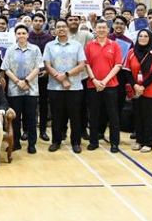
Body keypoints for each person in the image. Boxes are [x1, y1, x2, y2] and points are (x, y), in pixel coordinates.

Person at [42, 19, 87, 153]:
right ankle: (56, 141)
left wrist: (66, 75)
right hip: (55, 87)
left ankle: (76, 142)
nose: (61, 29)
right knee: (56, 116)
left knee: (75, 116)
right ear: (55, 30)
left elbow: (81, 64)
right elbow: (47, 65)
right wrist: (60, 78)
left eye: (63, 26)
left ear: (67, 28)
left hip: (74, 87)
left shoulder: (77, 45)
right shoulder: (49, 45)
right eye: (58, 27)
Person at [1, 24, 43, 153]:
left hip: (31, 88)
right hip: (14, 88)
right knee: (15, 118)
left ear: (28, 35)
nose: (21, 35)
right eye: (18, 33)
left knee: (31, 117)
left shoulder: (35, 49)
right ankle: (15, 143)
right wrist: (17, 81)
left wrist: (26, 81)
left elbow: (38, 67)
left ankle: (32, 144)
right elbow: (6, 68)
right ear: (15, 35)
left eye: (23, 33)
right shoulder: (10, 50)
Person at [83, 20, 123, 153]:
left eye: (103, 28)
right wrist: (94, 80)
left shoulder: (115, 45)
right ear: (95, 30)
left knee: (113, 115)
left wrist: (104, 81)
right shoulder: (89, 45)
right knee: (93, 115)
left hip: (110, 85)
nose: (101, 30)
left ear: (108, 30)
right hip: (93, 85)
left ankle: (114, 143)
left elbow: (118, 65)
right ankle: (93, 141)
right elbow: (86, 64)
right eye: (99, 28)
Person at [123, 29, 152, 153]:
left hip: (150, 89)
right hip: (136, 90)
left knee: (148, 117)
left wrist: (143, 86)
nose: (143, 38)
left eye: (146, 36)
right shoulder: (131, 52)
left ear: (150, 39)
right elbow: (127, 71)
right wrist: (135, 85)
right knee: (138, 116)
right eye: (140, 36)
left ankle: (148, 143)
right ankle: (139, 141)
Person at [26, 13, 53, 141]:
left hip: (44, 74)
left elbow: (51, 57)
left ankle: (43, 130)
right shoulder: (26, 36)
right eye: (35, 20)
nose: (38, 22)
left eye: (40, 20)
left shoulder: (49, 38)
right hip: (29, 75)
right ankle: (27, 130)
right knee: (29, 103)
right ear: (32, 22)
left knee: (43, 103)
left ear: (43, 22)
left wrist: (47, 70)